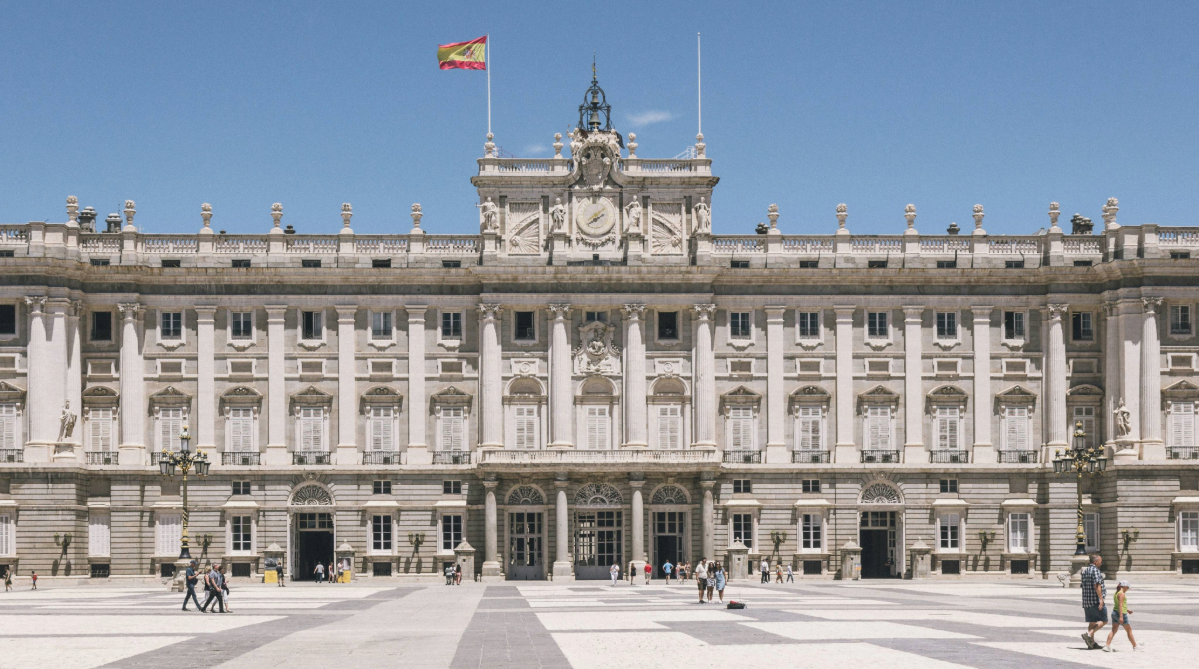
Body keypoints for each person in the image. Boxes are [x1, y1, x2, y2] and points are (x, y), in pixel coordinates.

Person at [1080, 554, 1107, 649]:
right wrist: (1101, 599)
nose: (1101, 563)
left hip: (1086, 600)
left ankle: (1091, 643)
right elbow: (1097, 585)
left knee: (1092, 622)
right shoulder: (1095, 570)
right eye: (1100, 561)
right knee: (1104, 620)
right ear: (1095, 562)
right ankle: (1089, 634)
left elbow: (1082, 585)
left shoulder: (1085, 571)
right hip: (1095, 600)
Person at [1103, 581, 1140, 652]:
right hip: (1121, 613)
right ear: (1125, 587)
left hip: (1114, 612)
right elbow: (1120, 605)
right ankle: (1135, 646)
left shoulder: (1116, 593)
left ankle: (1107, 645)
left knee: (1113, 630)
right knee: (1129, 630)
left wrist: (1127, 610)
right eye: (1128, 588)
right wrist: (1121, 616)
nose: (1128, 589)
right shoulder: (1122, 594)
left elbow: (1119, 604)